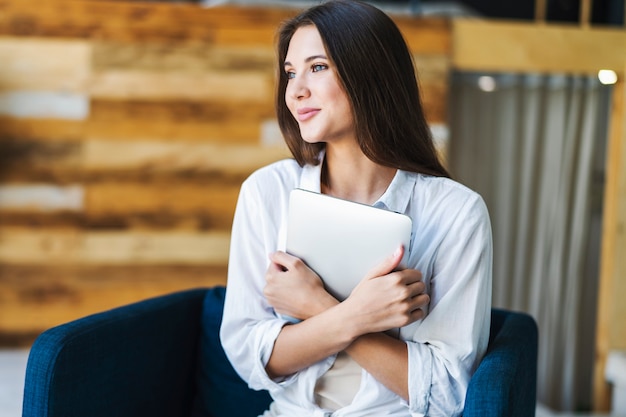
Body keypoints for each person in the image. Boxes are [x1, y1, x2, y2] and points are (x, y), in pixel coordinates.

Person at [220, 1, 493, 416]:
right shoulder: (266, 192)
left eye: (317, 67)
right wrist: (358, 316)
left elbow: (445, 394)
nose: (295, 91)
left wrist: (317, 306)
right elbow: (248, 357)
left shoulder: (456, 213)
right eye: (291, 72)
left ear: (370, 72)